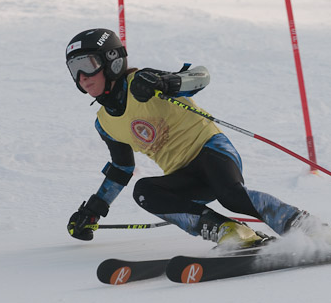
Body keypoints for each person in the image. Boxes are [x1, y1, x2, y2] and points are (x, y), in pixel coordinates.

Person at [65, 28, 312, 247]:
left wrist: (165, 82)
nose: (82, 77)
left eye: (88, 65)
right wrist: (94, 210)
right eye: (75, 69)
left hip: (210, 150)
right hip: (183, 175)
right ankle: (231, 232)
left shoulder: (140, 80)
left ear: (112, 61)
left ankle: (306, 227)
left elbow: (201, 76)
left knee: (231, 197)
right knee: (144, 192)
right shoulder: (104, 123)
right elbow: (121, 168)